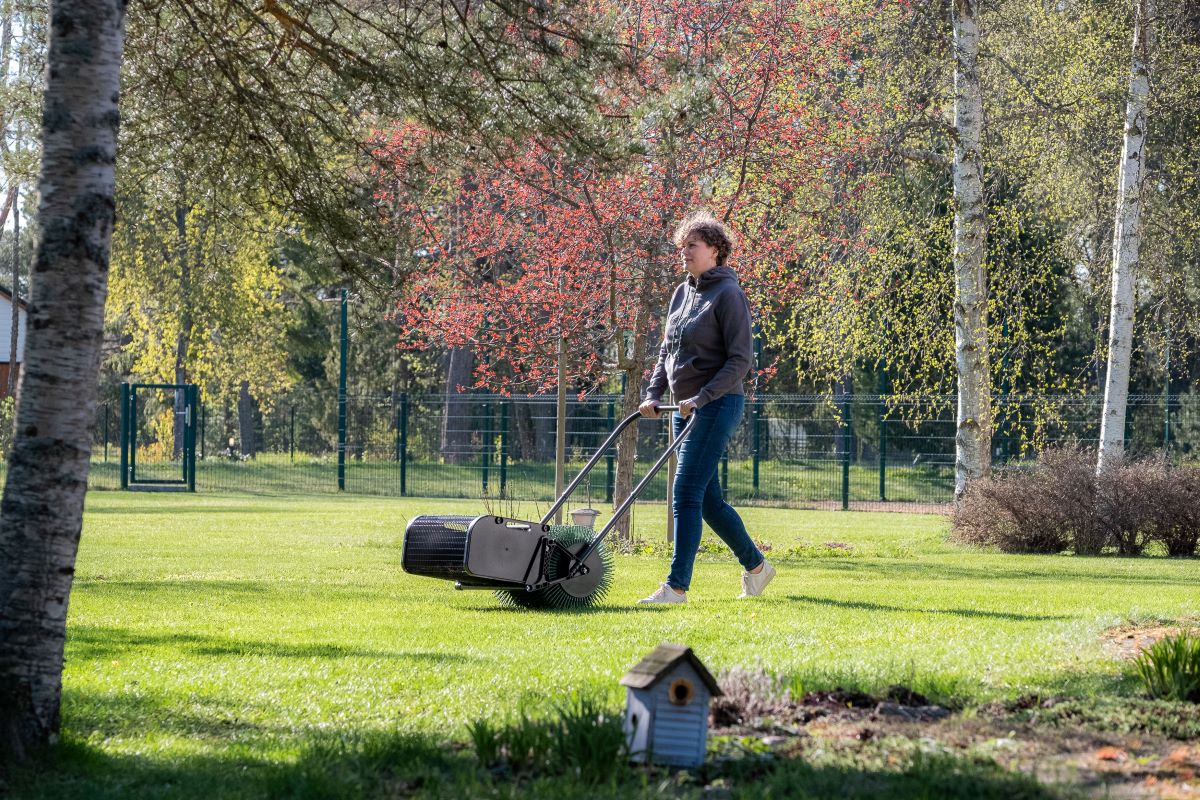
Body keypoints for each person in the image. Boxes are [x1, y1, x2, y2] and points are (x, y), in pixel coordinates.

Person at [637, 212, 775, 604]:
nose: (685, 253)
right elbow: (667, 350)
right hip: (686, 409)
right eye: (682, 246)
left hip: (718, 404)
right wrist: (653, 393)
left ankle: (677, 586)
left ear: (715, 250)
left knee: (685, 491)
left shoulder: (728, 295)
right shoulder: (682, 294)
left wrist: (704, 396)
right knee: (708, 500)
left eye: (692, 246)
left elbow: (740, 360)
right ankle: (757, 567)